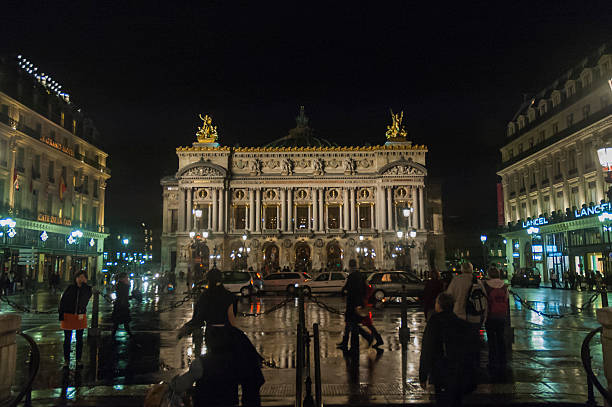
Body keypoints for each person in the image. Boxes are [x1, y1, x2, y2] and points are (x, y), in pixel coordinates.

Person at [178, 268, 264, 406]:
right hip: (229, 335)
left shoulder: (205, 297)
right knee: (232, 366)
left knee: (215, 364)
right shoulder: (229, 296)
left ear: (208, 281)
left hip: (213, 334)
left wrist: (184, 329)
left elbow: (198, 319)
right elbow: (232, 320)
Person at [419, 292, 471, 407]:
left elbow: (427, 349)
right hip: (457, 370)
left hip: (440, 369)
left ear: (439, 305)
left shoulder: (434, 323)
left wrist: (423, 375)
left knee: (442, 399)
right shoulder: (460, 323)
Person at [445, 262, 487, 393]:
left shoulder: (456, 281)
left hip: (459, 317)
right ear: (472, 270)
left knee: (459, 346)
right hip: (474, 318)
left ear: (462, 270)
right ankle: (473, 370)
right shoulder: (478, 281)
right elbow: (484, 300)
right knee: (474, 345)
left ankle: (461, 371)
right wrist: (483, 319)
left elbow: (448, 297)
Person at [58, 270, 92, 369]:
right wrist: (61, 314)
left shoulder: (87, 289)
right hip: (68, 315)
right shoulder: (70, 288)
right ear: (75, 278)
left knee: (79, 339)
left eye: (83, 277)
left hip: (80, 316)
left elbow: (87, 296)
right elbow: (63, 301)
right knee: (67, 339)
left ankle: (78, 360)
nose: (81, 279)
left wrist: (84, 286)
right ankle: (66, 360)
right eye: (79, 277)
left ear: (86, 279)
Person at [337, 259, 371, 351]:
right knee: (349, 323)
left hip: (352, 303)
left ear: (350, 266)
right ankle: (345, 342)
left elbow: (346, 288)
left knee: (352, 324)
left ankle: (366, 338)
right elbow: (365, 289)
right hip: (359, 302)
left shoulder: (351, 276)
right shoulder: (361, 275)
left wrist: (343, 292)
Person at [484, 267, 509, 370]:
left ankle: (492, 361)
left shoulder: (486, 285)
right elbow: (506, 299)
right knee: (501, 338)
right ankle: (503, 360)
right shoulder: (504, 285)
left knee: (491, 339)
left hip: (490, 315)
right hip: (502, 315)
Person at [111, 272, 132, 338]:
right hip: (122, 307)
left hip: (119, 306)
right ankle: (131, 336)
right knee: (124, 322)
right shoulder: (124, 286)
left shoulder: (119, 285)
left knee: (117, 323)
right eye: (126, 278)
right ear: (123, 278)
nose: (127, 279)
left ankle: (112, 336)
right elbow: (124, 296)